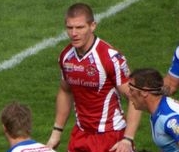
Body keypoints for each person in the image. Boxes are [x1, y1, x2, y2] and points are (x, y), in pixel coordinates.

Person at [47, 2, 141, 152]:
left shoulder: (110, 57)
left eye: (80, 27)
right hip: (80, 135)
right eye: (70, 28)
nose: (74, 33)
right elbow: (65, 90)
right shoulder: (66, 57)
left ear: (92, 26)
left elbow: (135, 96)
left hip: (111, 136)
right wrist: (56, 132)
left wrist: (128, 139)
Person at [128, 68, 179, 152]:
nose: (129, 95)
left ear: (144, 92)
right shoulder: (158, 110)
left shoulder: (169, 119)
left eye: (131, 90)